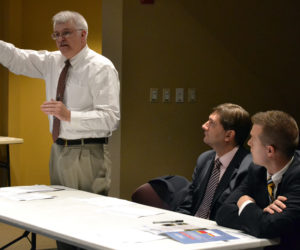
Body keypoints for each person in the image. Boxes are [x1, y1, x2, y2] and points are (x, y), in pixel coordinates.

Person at [0, 10, 120, 249]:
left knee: (87, 223)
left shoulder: (101, 67)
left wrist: (69, 115)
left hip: (88, 153)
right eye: (56, 34)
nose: (60, 39)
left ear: (83, 35)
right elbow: (17, 58)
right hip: (59, 150)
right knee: (60, 221)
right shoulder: (53, 61)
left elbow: (111, 119)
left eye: (66, 33)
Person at [132, 103, 252, 220]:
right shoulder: (204, 159)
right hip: (193, 227)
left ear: (228, 135)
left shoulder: (248, 167)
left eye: (212, 123)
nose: (204, 126)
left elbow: (232, 214)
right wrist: (177, 224)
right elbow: (188, 203)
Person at [215, 111, 300, 250]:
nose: (248, 143)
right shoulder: (257, 169)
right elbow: (223, 213)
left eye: (253, 139)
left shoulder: (297, 176)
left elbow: (267, 227)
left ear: (269, 151)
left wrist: (246, 203)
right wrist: (260, 216)